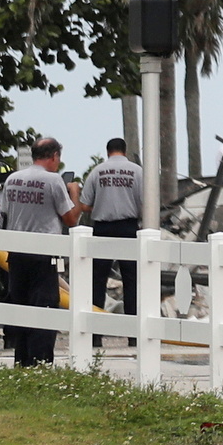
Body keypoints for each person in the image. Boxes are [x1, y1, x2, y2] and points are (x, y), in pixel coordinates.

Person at [0, 139, 81, 366]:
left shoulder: (12, 179)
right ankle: (40, 361)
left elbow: (6, 213)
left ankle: (21, 360)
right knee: (44, 308)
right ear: (53, 156)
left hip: (16, 254)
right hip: (44, 255)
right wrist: (74, 193)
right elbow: (71, 219)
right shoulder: (53, 181)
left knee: (21, 306)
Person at [83, 138, 144, 327]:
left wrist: (102, 203)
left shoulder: (97, 171)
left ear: (108, 151)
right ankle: (133, 333)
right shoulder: (137, 171)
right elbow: (145, 202)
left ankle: (95, 333)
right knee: (132, 280)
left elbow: (84, 204)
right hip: (128, 227)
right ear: (124, 151)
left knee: (97, 280)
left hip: (103, 228)